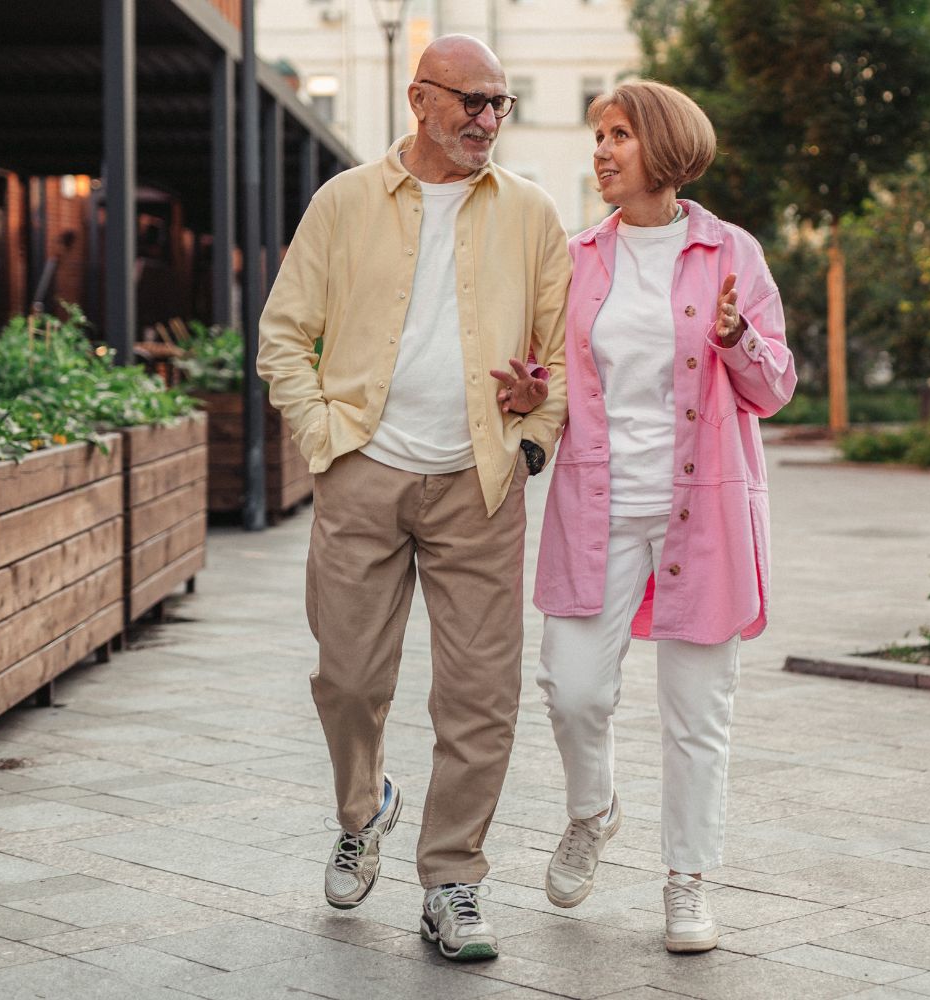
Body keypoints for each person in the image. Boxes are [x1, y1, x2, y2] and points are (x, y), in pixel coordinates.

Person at [255, 34, 568, 962]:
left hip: (479, 481)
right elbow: (284, 335)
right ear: (419, 100)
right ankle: (365, 809)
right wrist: (325, 440)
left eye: (499, 104)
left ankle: (453, 881)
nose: (487, 120)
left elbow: (561, 354)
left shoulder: (534, 215)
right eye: (471, 101)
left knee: (480, 696)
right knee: (347, 677)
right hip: (363, 472)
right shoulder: (344, 203)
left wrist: (532, 430)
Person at [530, 80, 795, 953]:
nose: (601, 151)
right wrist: (533, 391)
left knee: (696, 712)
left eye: (619, 135)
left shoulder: (733, 254)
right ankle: (592, 810)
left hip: (702, 513)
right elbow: (554, 377)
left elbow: (775, 388)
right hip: (596, 508)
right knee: (573, 691)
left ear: (666, 148)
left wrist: (734, 342)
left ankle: (688, 880)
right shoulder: (577, 259)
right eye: (598, 134)